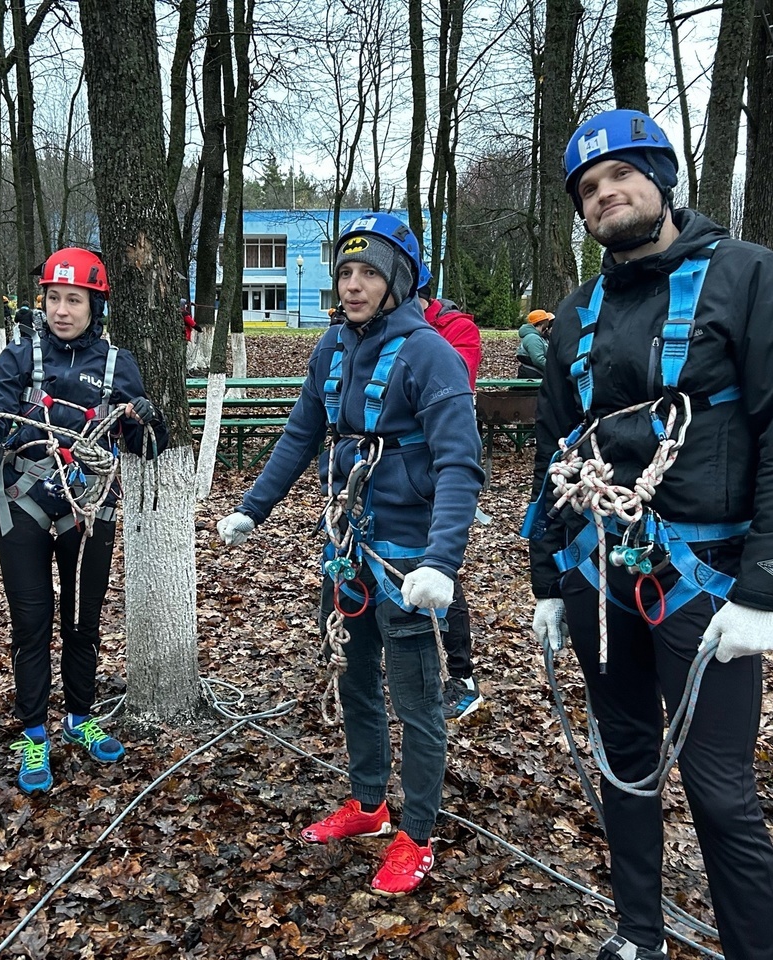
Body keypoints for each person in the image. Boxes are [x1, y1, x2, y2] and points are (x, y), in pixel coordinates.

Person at [525, 110, 773, 960]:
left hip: (708, 582)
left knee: (720, 790)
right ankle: (638, 936)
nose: (605, 194)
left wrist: (766, 586)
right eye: (589, 189)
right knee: (624, 762)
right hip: (600, 574)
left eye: (621, 175)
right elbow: (554, 449)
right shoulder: (580, 312)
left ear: (661, 179)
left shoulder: (749, 278)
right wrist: (549, 579)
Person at [217, 213, 483, 895]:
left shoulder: (431, 356)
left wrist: (440, 563)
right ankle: (370, 804)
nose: (353, 284)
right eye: (345, 271)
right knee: (355, 679)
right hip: (348, 548)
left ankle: (416, 836)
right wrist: (253, 506)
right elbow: (298, 436)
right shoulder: (331, 350)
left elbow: (459, 466)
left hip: (408, 559)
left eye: (368, 272)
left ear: (399, 279)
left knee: (417, 699)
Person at [0, 248, 168, 792]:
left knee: (82, 618)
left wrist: (146, 416)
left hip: (88, 503)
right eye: (54, 298)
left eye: (74, 299)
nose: (62, 309)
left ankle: (79, 716)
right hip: (24, 499)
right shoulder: (19, 357)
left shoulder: (118, 365)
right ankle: (33, 734)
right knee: (31, 621)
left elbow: (147, 445)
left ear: (94, 305)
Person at [416, 282, 484, 720]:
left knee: (441, 570)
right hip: (394, 471)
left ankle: (462, 677)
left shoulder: (457, 329)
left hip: (442, 464)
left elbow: (452, 379)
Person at [516, 310, 554, 379]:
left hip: (533, 373)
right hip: (532, 375)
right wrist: (554, 368)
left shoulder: (537, 337)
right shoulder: (533, 338)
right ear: (541, 325)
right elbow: (538, 359)